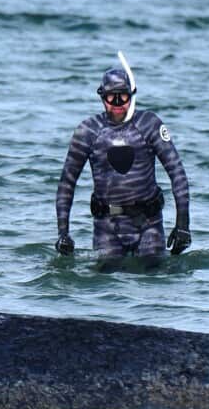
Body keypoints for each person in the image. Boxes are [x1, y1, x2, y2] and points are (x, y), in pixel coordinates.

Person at [55, 62, 191, 263]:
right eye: (111, 97)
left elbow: (177, 173)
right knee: (105, 282)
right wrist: (63, 233)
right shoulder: (88, 131)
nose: (117, 103)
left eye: (123, 96)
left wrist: (183, 226)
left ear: (131, 95)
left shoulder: (149, 125)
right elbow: (67, 184)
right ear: (102, 97)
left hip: (149, 224)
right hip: (107, 226)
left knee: (155, 277)